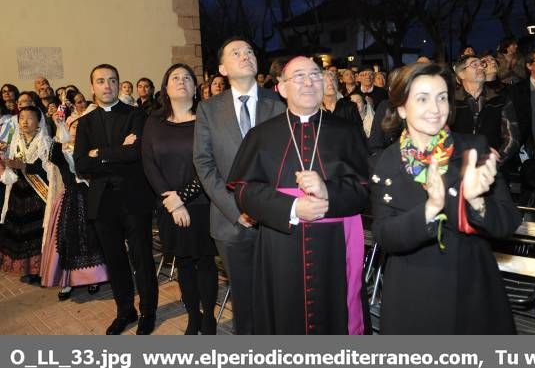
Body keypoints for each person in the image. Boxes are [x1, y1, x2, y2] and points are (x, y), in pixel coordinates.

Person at [371, 62, 521, 334]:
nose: (435, 109)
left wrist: (476, 202)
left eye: (442, 98)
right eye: (422, 99)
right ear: (402, 108)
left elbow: (508, 222)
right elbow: (384, 234)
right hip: (411, 295)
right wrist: (430, 210)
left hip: (472, 290)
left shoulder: (473, 148)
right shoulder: (387, 160)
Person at [227, 56, 370, 334]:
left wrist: (328, 191)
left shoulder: (348, 131)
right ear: (281, 88)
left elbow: (365, 190)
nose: (309, 82)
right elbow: (245, 190)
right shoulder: (261, 135)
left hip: (335, 246)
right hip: (281, 244)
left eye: (315, 75)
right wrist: (293, 208)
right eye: (299, 76)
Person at [193, 37, 285, 334]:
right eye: (236, 52)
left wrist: (267, 208)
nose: (245, 55)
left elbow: (291, 160)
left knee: (278, 296)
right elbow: (204, 164)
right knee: (244, 300)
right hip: (230, 221)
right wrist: (237, 210)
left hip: (274, 221)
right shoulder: (208, 110)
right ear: (222, 68)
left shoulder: (279, 104)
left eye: (249, 51)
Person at [74, 64, 158, 335]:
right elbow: (81, 164)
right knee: (115, 260)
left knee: (142, 258)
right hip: (102, 202)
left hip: (134, 197)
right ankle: (125, 311)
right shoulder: (85, 123)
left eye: (112, 80)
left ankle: (148, 311)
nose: (107, 85)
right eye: (100, 81)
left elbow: (135, 153)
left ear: (119, 83)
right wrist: (116, 151)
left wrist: (99, 153)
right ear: (92, 87)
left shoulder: (136, 115)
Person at [142, 64, 218, 335]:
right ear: (165, 87)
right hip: (168, 206)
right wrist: (171, 201)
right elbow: (148, 163)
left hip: (202, 203)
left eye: (187, 77)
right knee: (183, 263)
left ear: (195, 87)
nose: (182, 81)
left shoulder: (206, 118)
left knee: (205, 261)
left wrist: (183, 198)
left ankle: (209, 317)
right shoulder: (153, 121)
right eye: (175, 77)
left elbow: (213, 164)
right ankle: (193, 316)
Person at [40, 110, 108, 300]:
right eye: (74, 126)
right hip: (70, 199)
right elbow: (53, 155)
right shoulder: (61, 149)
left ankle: (94, 278)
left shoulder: (92, 149)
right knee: (67, 239)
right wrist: (58, 126)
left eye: (81, 127)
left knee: (94, 237)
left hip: (92, 197)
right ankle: (68, 281)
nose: (77, 129)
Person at [0, 106, 55, 284]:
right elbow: (11, 164)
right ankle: (27, 268)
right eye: (21, 117)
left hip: (37, 193)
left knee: (37, 231)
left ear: (39, 122)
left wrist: (24, 166)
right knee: (21, 230)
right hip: (18, 191)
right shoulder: (15, 139)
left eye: (29, 118)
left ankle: (41, 270)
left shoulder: (45, 141)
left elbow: (47, 168)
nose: (24, 121)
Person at [452, 55, 520, 167]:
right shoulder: (451, 102)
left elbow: (512, 138)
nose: (481, 67)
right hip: (458, 169)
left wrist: (495, 161)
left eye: (482, 64)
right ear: (461, 74)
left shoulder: (500, 99)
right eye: (474, 64)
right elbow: (442, 137)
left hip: (492, 169)